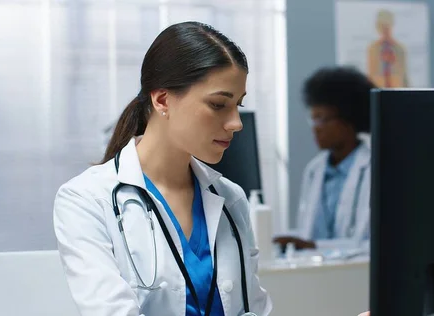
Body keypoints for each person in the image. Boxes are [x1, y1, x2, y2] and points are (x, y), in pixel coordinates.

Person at [53, 21, 272, 316]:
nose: (236, 123)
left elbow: (256, 309)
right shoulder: (86, 200)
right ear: (162, 100)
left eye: (238, 106)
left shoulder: (230, 200)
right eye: (219, 105)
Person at [274, 66, 375, 252]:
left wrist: (314, 246)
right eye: (313, 119)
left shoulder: (374, 168)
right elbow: (308, 231)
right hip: (320, 273)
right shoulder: (315, 169)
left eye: (322, 119)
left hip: (357, 274)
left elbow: (371, 244)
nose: (316, 128)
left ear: (349, 120)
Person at [367, 9, 409, 88]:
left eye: (387, 26)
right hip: (379, 90)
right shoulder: (373, 49)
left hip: (397, 91)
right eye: (382, 26)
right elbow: (371, 75)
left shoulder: (400, 49)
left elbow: (404, 76)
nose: (385, 30)